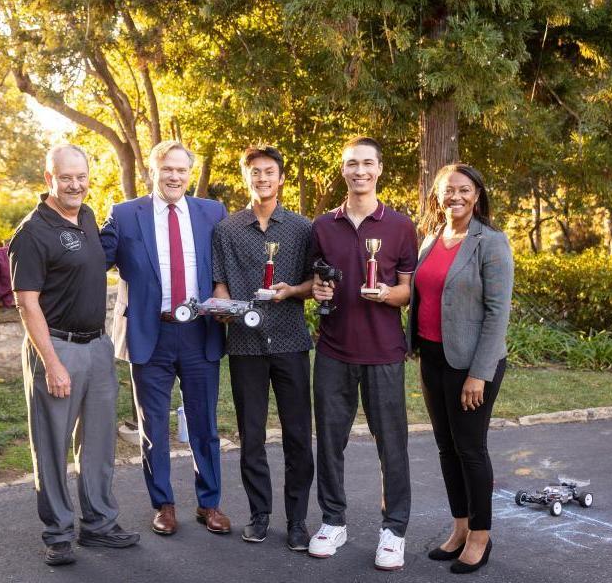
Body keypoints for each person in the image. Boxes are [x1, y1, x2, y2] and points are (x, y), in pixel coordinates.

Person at [8, 143, 139, 567]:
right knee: (52, 445)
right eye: (66, 178)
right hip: (57, 348)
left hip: (97, 346)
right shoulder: (32, 233)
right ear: (49, 179)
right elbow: (27, 304)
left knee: (99, 444)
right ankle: (59, 533)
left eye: (81, 177)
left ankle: (99, 524)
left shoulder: (85, 216)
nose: (75, 185)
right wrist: (52, 363)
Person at [99, 140, 231, 536]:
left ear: (189, 175)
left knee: (204, 424)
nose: (175, 176)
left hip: (199, 332)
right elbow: (93, 259)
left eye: (182, 170)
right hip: (149, 333)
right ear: (152, 172)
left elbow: (229, 262)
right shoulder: (124, 215)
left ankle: (209, 504)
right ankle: (164, 504)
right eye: (167, 169)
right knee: (153, 426)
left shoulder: (212, 213)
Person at [308, 136, 417, 571]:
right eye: (352, 164)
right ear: (343, 170)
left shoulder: (401, 225)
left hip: (385, 352)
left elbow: (408, 290)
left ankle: (394, 530)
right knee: (330, 442)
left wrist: (388, 293)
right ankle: (334, 520)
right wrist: (317, 291)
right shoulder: (322, 225)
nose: (359, 171)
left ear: (380, 169)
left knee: (392, 446)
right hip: (334, 350)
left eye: (367, 163)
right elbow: (316, 285)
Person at [406, 163, 513, 574]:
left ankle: (481, 537)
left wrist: (478, 374)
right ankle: (460, 528)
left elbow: (497, 313)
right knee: (446, 448)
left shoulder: (491, 242)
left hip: (471, 364)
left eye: (464, 190)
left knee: (470, 449)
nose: (455, 197)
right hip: (432, 358)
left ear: (477, 194)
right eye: (448, 190)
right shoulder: (431, 239)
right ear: (437, 195)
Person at [212, 146, 315, 550]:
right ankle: (259, 515)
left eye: (269, 172)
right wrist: (223, 306)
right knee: (251, 435)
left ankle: (297, 520)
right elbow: (219, 281)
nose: (262, 178)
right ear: (246, 178)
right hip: (244, 343)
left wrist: (292, 291)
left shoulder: (303, 228)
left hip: (290, 341)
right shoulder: (227, 229)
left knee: (297, 435)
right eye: (255, 172)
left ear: (281, 178)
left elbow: (313, 283)